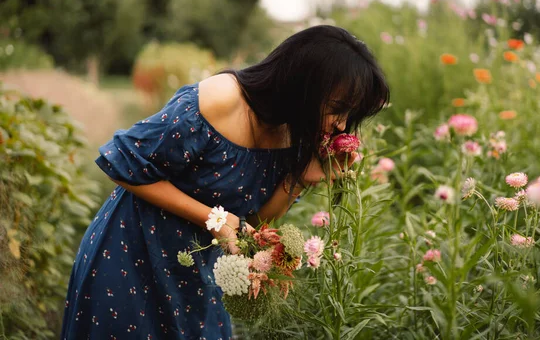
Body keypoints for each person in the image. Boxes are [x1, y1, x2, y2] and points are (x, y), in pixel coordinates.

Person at [59, 25, 390, 339]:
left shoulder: (296, 132)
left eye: (351, 114)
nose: (342, 125)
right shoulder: (220, 101)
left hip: (197, 277)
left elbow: (254, 225)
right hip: (131, 256)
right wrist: (213, 220)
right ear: (306, 85)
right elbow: (121, 164)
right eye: (339, 109)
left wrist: (300, 179)